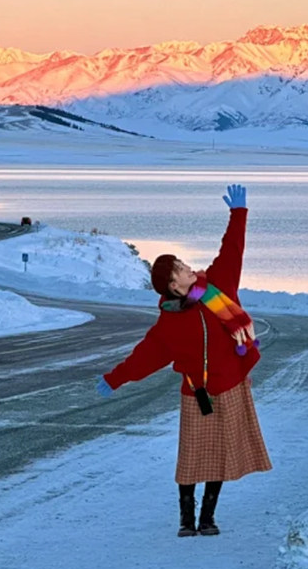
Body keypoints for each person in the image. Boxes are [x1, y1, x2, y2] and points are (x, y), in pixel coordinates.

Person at [96, 184, 272, 537]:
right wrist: (115, 378)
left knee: (221, 454)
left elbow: (232, 251)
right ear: (172, 287)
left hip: (233, 386)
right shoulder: (169, 322)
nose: (187, 267)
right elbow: (145, 357)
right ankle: (185, 521)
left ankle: (207, 518)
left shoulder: (216, 287)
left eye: (182, 263)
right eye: (179, 268)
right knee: (192, 458)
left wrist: (238, 215)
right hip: (198, 394)